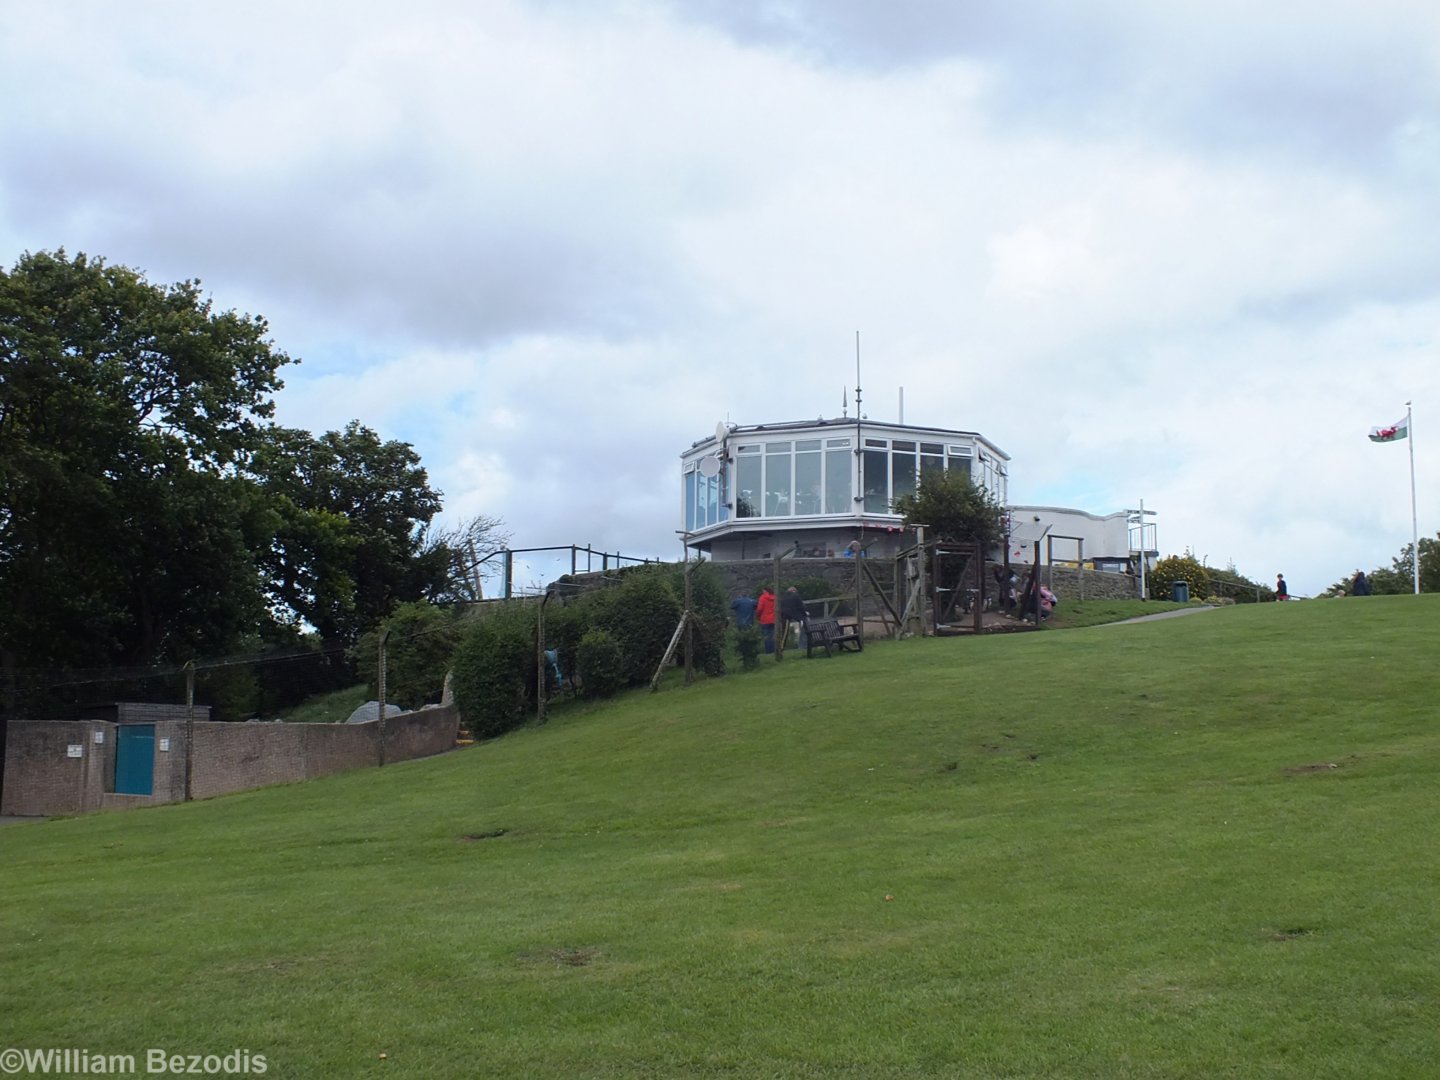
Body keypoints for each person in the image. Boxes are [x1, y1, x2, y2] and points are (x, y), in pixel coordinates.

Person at [779, 586, 808, 652]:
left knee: (784, 632)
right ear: (794, 591)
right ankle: (803, 645)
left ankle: (781, 647)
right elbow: (801, 606)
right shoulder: (796, 596)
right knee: (805, 626)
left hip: (784, 614)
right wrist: (804, 614)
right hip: (792, 615)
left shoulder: (783, 596)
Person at [756, 587, 776, 653]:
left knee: (766, 636)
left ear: (765, 591)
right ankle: (773, 650)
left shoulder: (762, 597)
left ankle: (768, 651)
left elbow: (759, 609)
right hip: (773, 619)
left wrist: (758, 616)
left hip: (765, 620)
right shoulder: (775, 597)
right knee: (772, 635)